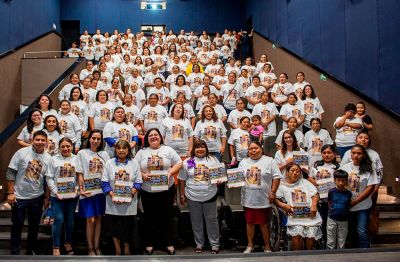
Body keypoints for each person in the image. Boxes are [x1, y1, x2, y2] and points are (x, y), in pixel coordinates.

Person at [134, 128, 182, 255]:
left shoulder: (168, 150)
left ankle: (168, 243)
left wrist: (170, 172)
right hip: (147, 190)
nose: (154, 137)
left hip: (166, 189)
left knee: (167, 216)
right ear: (147, 139)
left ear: (161, 137)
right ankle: (150, 243)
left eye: (156, 135)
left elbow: (179, 163)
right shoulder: (142, 152)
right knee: (149, 217)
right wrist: (142, 175)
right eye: (151, 135)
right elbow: (134, 167)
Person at [6, 130, 52, 255]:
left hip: (37, 197)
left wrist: (47, 197)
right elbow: (10, 172)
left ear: (46, 142)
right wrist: (10, 193)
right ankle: (15, 251)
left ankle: (30, 250)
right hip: (19, 196)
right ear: (32, 140)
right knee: (17, 224)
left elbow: (48, 180)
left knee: (34, 226)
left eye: (43, 140)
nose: (40, 142)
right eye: (37, 140)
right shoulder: (21, 153)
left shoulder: (48, 158)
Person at [178, 140, 221, 254]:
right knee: (196, 221)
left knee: (212, 220)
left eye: (203, 147)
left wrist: (220, 180)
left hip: (210, 194)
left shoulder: (213, 160)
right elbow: (182, 179)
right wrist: (182, 195)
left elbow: (219, 175)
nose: (200, 149)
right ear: (193, 149)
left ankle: (215, 244)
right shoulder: (187, 161)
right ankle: (199, 244)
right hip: (192, 195)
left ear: (206, 149)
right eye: (197, 147)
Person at [101, 140, 142, 255]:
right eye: (119, 148)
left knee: (128, 227)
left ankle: (126, 247)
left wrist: (129, 195)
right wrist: (113, 195)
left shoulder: (134, 163)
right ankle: (117, 249)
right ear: (115, 150)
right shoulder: (109, 163)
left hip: (129, 202)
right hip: (113, 202)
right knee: (114, 228)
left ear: (128, 150)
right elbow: (104, 182)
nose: (121, 150)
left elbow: (138, 182)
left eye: (124, 148)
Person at [240, 141, 282, 253]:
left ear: (261, 148)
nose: (253, 151)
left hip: (264, 198)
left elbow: (277, 177)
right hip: (248, 198)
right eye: (251, 149)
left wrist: (273, 192)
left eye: (256, 148)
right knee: (249, 222)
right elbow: (238, 179)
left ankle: (267, 246)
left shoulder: (270, 161)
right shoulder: (243, 162)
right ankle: (250, 245)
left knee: (264, 223)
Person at [76, 130, 110, 255]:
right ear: (89, 139)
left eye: (98, 139)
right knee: (90, 220)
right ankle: (90, 248)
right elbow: (79, 173)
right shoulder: (82, 153)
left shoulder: (104, 154)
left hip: (101, 191)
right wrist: (81, 189)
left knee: (99, 219)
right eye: (93, 138)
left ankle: (96, 246)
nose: (96, 141)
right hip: (88, 191)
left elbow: (107, 173)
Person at [275, 163, 322, 250]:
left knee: (311, 234)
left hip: (310, 214)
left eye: (298, 171)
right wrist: (283, 205)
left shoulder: (305, 182)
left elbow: (315, 194)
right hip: (294, 215)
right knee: (297, 233)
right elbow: (275, 199)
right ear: (287, 172)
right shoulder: (282, 186)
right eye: (292, 170)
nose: (295, 173)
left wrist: (314, 205)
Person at [340, 144, 378, 248]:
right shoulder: (344, 167)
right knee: (352, 232)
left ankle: (365, 254)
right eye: (353, 153)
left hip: (363, 206)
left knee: (362, 231)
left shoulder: (370, 168)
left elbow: (370, 188)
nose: (356, 155)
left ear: (363, 155)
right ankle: (355, 254)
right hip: (348, 205)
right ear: (350, 154)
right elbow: (339, 184)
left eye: (359, 153)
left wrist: (355, 202)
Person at [46, 138, 79, 255]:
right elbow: (49, 177)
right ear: (59, 148)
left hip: (72, 196)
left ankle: (68, 242)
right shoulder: (53, 159)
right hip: (57, 196)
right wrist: (55, 191)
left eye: (68, 146)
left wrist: (77, 190)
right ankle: (56, 246)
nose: (65, 149)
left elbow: (80, 177)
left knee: (70, 221)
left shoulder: (77, 159)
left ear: (72, 146)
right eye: (63, 146)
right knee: (59, 220)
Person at [308, 144, 340, 242]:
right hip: (318, 197)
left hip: (332, 199)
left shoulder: (338, 166)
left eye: (329, 153)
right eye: (324, 153)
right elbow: (309, 177)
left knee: (331, 222)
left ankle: (331, 243)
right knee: (321, 221)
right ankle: (321, 242)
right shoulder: (316, 165)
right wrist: (317, 183)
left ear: (334, 154)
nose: (326, 155)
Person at [326, 170, 352, 249]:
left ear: (346, 181)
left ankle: (341, 256)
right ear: (334, 180)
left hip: (344, 220)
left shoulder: (348, 193)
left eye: (343, 180)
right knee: (331, 240)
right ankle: (330, 256)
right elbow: (329, 203)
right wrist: (332, 211)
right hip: (332, 219)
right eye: (338, 180)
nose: (341, 183)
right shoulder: (331, 191)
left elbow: (348, 206)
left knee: (342, 240)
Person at [252, 91, 279, 155]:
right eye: (264, 95)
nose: (265, 97)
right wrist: (261, 123)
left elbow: (275, 115)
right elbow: (254, 117)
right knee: (260, 143)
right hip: (259, 127)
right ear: (261, 97)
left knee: (271, 142)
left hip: (271, 127)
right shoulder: (257, 106)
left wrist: (267, 122)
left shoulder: (272, 105)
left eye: (267, 96)